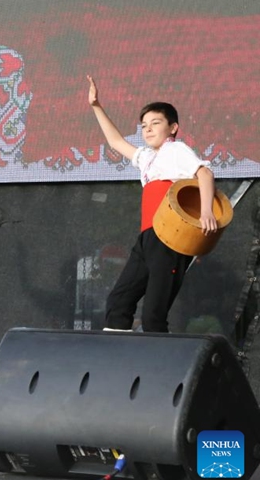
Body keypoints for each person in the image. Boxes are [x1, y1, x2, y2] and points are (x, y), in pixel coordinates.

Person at [86, 75, 217, 333]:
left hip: (170, 239)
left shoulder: (175, 150)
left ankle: (157, 369)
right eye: (144, 125)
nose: (147, 128)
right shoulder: (147, 158)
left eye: (155, 123)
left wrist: (206, 213)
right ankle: (116, 362)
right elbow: (116, 142)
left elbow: (205, 173)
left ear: (173, 128)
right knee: (118, 303)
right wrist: (96, 106)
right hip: (147, 238)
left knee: (153, 315)